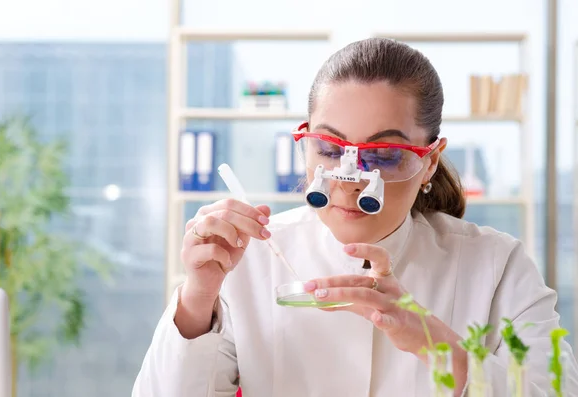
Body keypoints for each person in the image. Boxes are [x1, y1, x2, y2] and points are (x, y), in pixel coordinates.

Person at [133, 37, 578, 396]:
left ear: (429, 161)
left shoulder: (498, 266)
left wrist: (434, 342)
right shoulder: (251, 258)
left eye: (384, 155)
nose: (351, 181)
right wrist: (197, 298)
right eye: (329, 149)